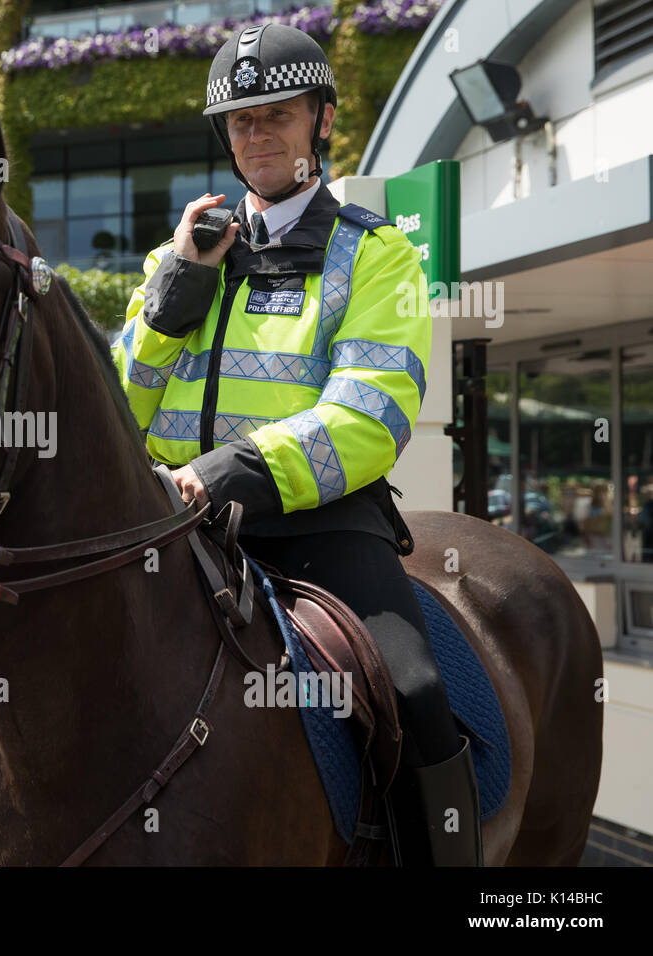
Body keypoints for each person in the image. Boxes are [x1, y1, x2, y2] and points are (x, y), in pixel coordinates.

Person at [111, 22, 480, 866]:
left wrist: (222, 475)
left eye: (278, 112)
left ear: (321, 120)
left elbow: (370, 413)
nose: (258, 132)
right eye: (241, 120)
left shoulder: (376, 253)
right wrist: (171, 298)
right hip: (175, 531)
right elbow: (119, 412)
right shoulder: (178, 256)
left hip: (317, 528)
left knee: (416, 689)